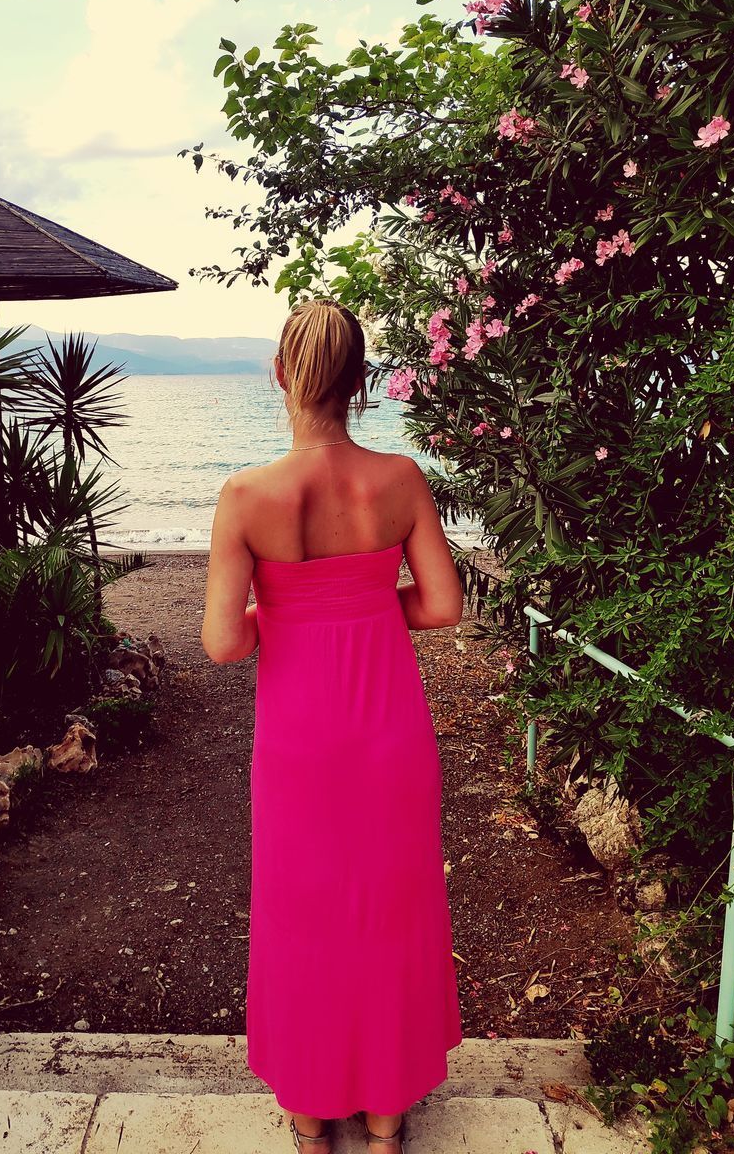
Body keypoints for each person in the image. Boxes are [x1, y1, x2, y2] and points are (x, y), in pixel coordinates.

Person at [201, 297, 464, 1152]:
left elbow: (221, 643)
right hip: (389, 732)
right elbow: (442, 604)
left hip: (300, 741)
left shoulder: (246, 495)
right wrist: (361, 605)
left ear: (280, 376)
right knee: (391, 907)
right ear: (359, 381)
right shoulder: (401, 481)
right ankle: (386, 1124)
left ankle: (311, 1123)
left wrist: (287, 613)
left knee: (302, 914)